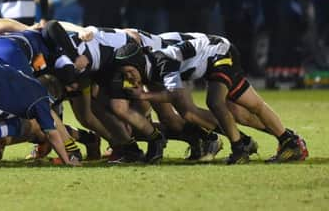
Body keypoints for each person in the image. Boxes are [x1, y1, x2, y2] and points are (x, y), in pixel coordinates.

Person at [114, 34, 308, 164]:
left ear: (139, 65)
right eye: (125, 74)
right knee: (245, 110)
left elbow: (175, 94)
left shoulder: (162, 61)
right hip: (215, 58)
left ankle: (240, 148)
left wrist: (144, 95)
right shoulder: (149, 63)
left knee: (215, 102)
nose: (129, 77)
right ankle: (289, 140)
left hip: (219, 53)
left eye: (130, 72)